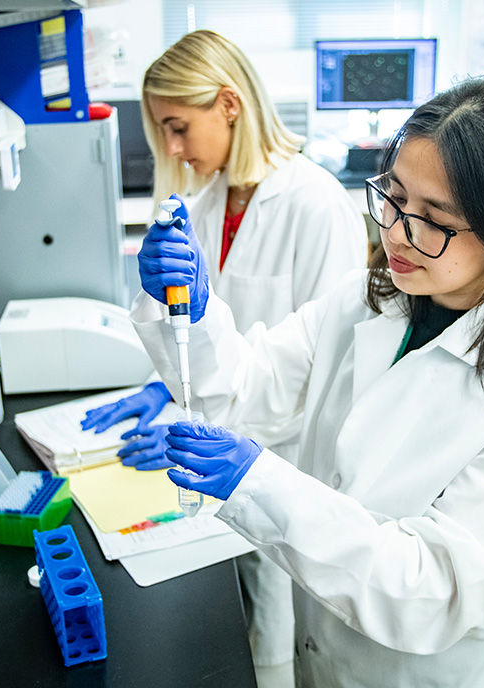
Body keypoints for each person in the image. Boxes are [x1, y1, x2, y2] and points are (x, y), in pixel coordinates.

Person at [129, 71, 484, 688]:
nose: (396, 233)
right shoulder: (367, 301)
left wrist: (261, 485)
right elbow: (247, 388)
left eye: (434, 219)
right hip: (321, 655)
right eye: (394, 197)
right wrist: (189, 307)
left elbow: (432, 590)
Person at [80, 30, 367, 674]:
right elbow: (202, 338)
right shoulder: (206, 203)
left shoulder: (316, 204)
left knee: (275, 640)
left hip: (288, 469)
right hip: (221, 464)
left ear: (230, 104)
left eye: (179, 128)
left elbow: (329, 380)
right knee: (232, 633)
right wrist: (166, 392)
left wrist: (217, 432)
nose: (174, 149)